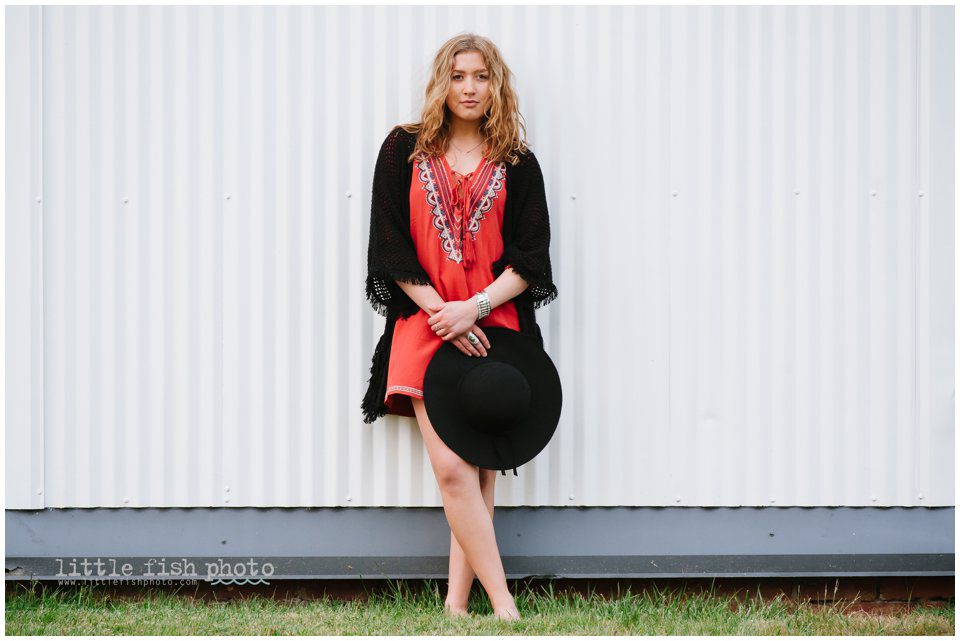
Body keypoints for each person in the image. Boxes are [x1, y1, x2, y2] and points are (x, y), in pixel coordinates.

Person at [362, 33, 558, 621]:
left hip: (493, 326)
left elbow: (532, 257)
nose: (469, 88)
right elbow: (389, 247)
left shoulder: (517, 162)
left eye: (480, 76)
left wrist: (474, 306)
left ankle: (454, 606)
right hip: (426, 321)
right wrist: (442, 311)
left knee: (479, 468)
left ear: (496, 85)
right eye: (457, 76)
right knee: (452, 467)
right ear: (441, 83)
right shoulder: (404, 149)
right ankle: (504, 604)